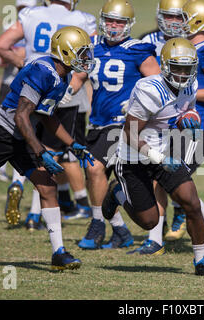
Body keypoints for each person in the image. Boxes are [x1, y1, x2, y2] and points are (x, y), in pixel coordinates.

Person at [0, 26, 96, 270]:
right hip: (0, 133)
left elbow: (46, 117)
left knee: (48, 187)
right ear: (65, 52)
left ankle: (59, 253)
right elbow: (21, 117)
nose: (85, 59)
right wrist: (41, 152)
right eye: (81, 53)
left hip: (23, 137)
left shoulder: (62, 76)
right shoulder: (43, 71)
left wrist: (72, 143)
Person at [102, 37, 204, 277]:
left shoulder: (191, 86)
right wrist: (157, 156)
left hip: (165, 153)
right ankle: (117, 192)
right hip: (134, 158)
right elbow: (129, 133)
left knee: (191, 202)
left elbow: (185, 109)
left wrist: (190, 118)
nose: (182, 74)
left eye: (187, 69)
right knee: (149, 222)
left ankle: (201, 262)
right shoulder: (150, 89)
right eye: (177, 68)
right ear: (165, 65)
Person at [64, 0, 161, 250]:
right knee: (94, 174)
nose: (114, 26)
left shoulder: (139, 50)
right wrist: (66, 93)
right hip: (97, 122)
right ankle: (119, 229)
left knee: (95, 169)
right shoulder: (92, 46)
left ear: (129, 25)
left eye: (119, 22)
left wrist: (139, 104)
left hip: (123, 125)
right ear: (102, 20)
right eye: (110, 20)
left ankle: (96, 225)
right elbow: (79, 76)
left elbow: (160, 86)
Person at [0, 0, 97, 230]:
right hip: (63, 83)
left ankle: (17, 181)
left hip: (32, 82)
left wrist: (24, 63)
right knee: (50, 153)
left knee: (25, 141)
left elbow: (0, 45)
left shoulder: (31, 14)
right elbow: (88, 60)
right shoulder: (83, 20)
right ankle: (34, 214)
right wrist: (72, 89)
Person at [141, 0, 204, 253]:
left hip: (196, 129)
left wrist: (182, 92)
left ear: (198, 21)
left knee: (172, 181)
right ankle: (154, 240)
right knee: (159, 179)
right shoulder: (189, 48)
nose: (179, 23)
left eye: (184, 18)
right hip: (176, 127)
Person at [0, 0, 39, 183]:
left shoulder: (35, 24)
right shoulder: (14, 26)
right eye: (21, 8)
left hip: (25, 84)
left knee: (21, 128)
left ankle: (15, 175)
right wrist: (15, 58)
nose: (24, 11)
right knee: (8, 126)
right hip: (12, 83)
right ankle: (1, 169)